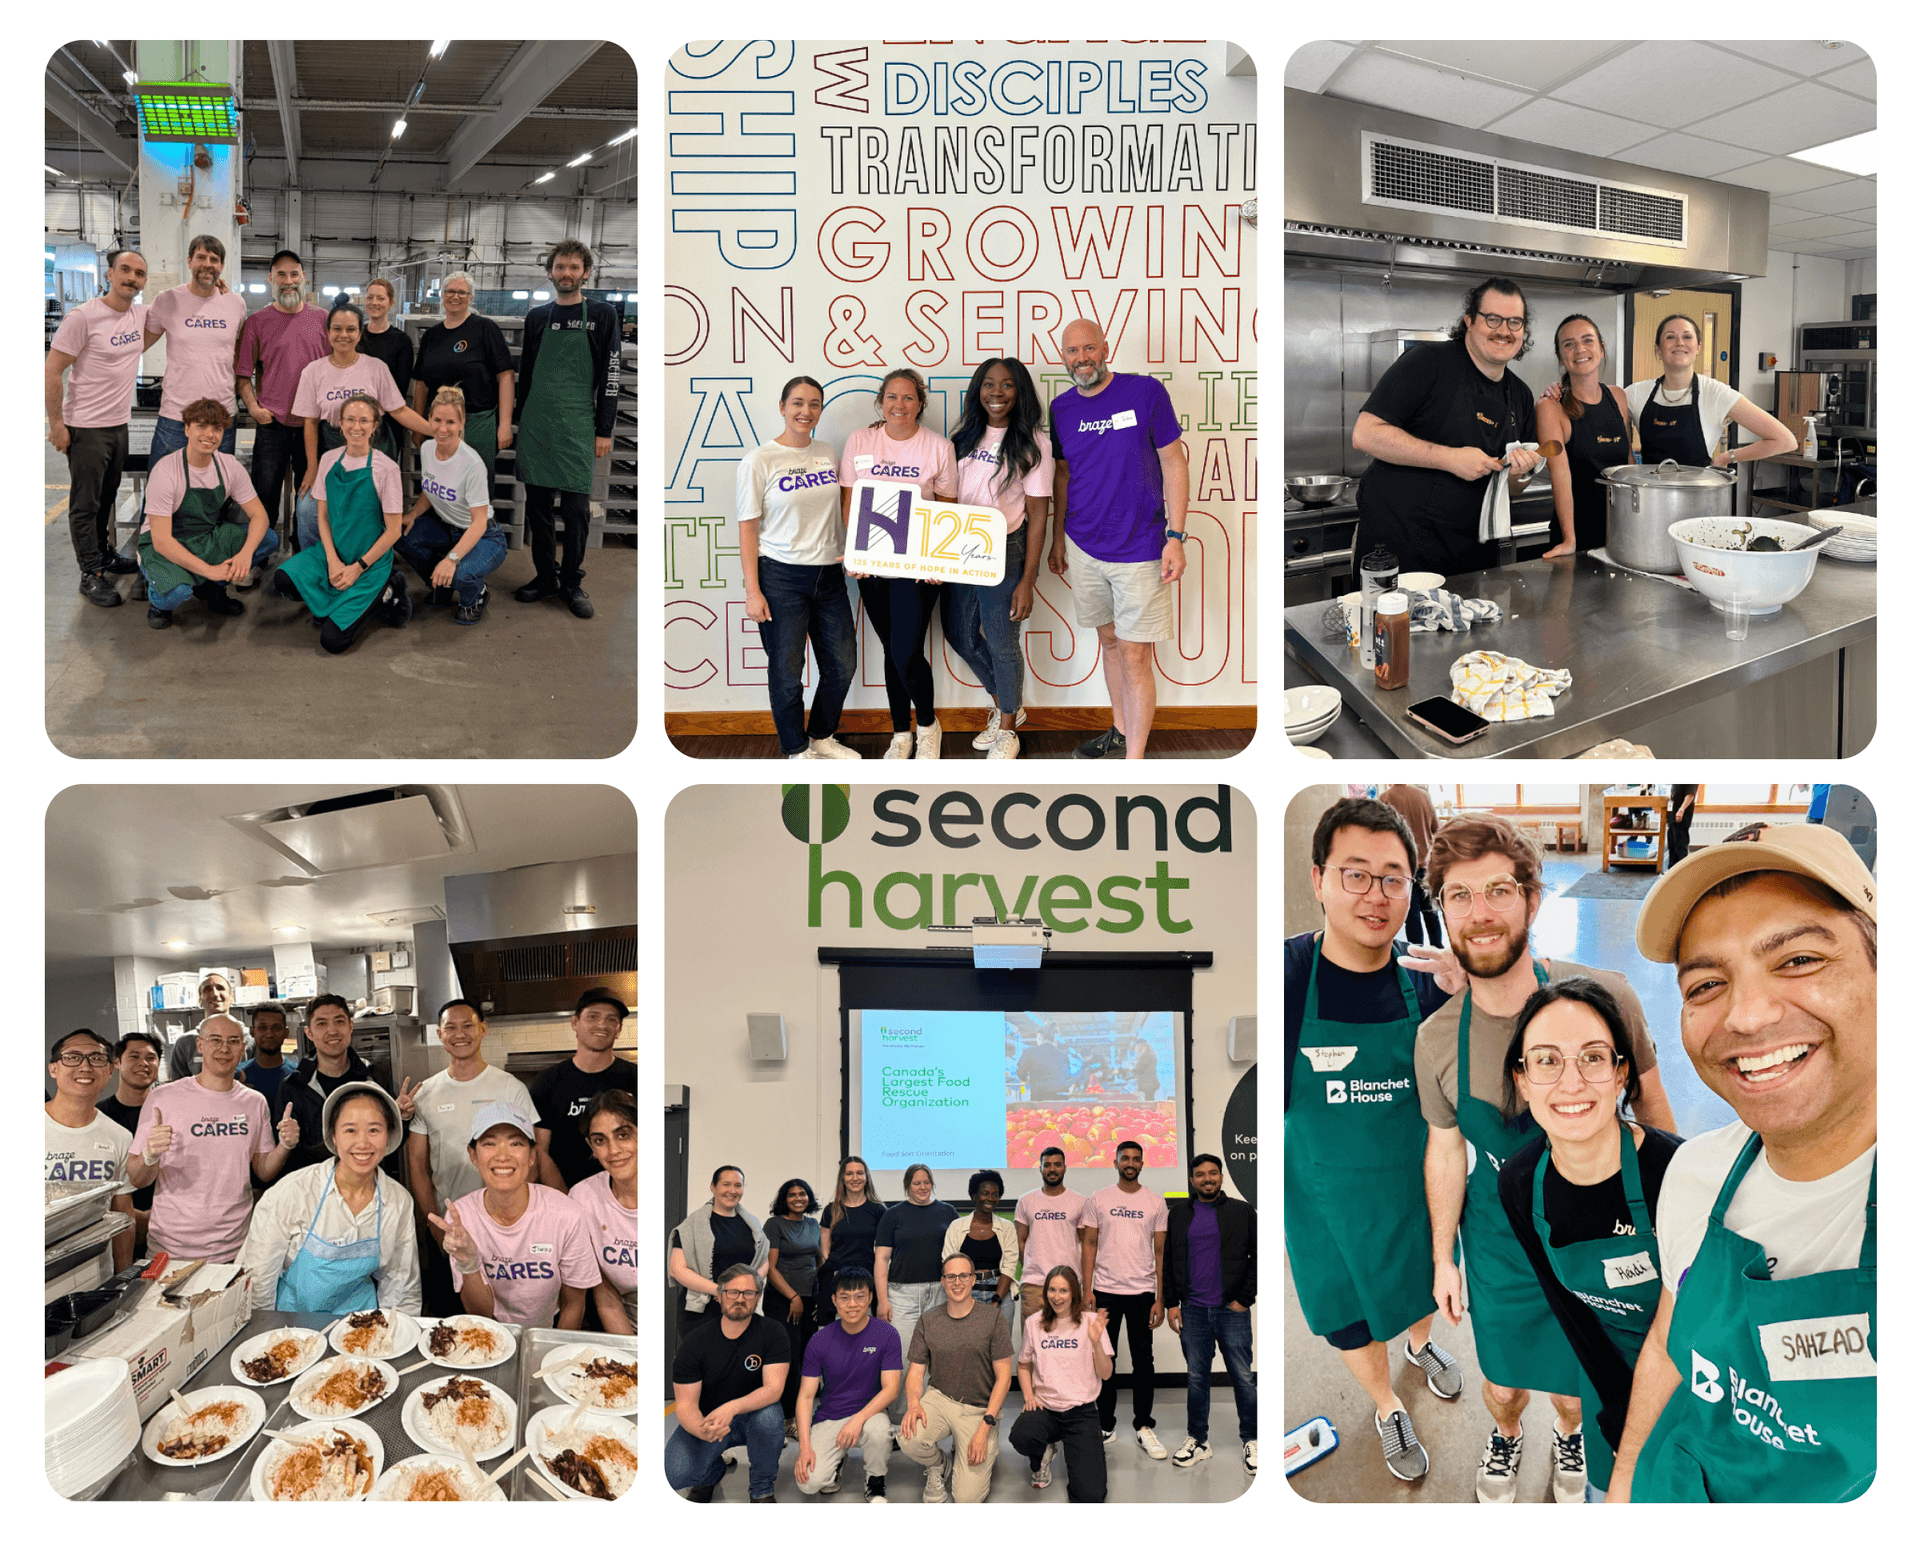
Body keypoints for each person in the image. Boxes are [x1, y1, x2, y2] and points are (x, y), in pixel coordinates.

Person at [1608, 823, 1876, 1503]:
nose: (1749, 1016)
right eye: (1705, 985)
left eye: (1799, 960)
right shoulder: (1696, 1176)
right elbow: (1670, 1343)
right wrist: (1624, 1482)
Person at [1416, 813, 1677, 1502]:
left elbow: (1654, 1114)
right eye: (1459, 896)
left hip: (1597, 1239)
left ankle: (1568, 1434)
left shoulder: (1606, 997)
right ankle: (1506, 1436)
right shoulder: (1437, 1039)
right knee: (1502, 1386)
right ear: (1440, 910)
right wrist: (1445, 1257)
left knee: (1576, 1389)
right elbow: (1445, 1150)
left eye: (1499, 890)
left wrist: (1675, 1235)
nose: (1480, 914)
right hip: (1500, 1246)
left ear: (1534, 899)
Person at [1285, 796, 1467, 1482]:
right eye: (1355, 874)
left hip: (1413, 1183)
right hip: (1324, 1196)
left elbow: (1467, 1095)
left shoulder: (1425, 982)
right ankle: (1388, 1402)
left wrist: (1468, 999)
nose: (1376, 895)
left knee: (1423, 1281)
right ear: (1319, 880)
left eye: (1394, 878)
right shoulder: (1289, 978)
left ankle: (1422, 1348)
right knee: (1351, 1314)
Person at [1498, 977, 1681, 1502]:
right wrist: (1621, 1417)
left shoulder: (1674, 1174)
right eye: (1547, 1060)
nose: (1571, 1083)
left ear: (1622, 1073)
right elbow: (1570, 1309)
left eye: (1594, 1058)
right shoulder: (1518, 1183)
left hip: (1696, 1380)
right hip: (1607, 1375)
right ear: (1523, 1078)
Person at [1045, 318, 1189, 760]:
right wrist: (1057, 539)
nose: (1082, 358)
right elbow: (1063, 474)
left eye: (1089, 348)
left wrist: (1176, 536)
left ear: (1105, 347)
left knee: (1134, 655)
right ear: (1063, 357)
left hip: (1141, 546)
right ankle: (1121, 732)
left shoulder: (1145, 392)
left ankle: (1134, 762)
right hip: (1084, 544)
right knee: (1109, 643)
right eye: (1072, 351)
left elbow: (1174, 463)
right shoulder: (1061, 408)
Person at [1351, 278, 1545, 579]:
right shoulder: (1427, 362)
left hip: (1470, 554)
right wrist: (1450, 458)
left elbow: (1512, 487)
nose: (1504, 330)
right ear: (1469, 321)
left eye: (1514, 322)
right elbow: (1366, 433)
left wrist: (1518, 475)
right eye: (1492, 319)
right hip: (1401, 547)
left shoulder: (1520, 395)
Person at [839, 367, 959, 759]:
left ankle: (927, 726)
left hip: (918, 569)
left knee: (905, 651)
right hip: (872, 569)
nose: (899, 404)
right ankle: (900, 733)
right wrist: (857, 553)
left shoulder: (938, 447)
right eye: (892, 396)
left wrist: (937, 562)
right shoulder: (860, 440)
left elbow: (947, 510)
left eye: (908, 397)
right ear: (881, 401)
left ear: (920, 403)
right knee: (892, 649)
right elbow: (849, 502)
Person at [739, 375, 859, 760]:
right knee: (787, 673)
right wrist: (753, 591)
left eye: (814, 404)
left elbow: (847, 506)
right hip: (781, 577)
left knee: (841, 665)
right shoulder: (759, 460)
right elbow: (747, 529)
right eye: (797, 403)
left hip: (829, 575)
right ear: (782, 407)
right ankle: (795, 748)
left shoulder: (827, 452)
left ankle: (821, 736)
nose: (805, 411)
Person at [944, 357, 1052, 759]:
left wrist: (1028, 580)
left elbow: (1039, 514)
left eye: (1007, 386)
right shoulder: (962, 438)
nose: (997, 393)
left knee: (1002, 641)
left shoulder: (1034, 443)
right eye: (989, 385)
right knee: (959, 633)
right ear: (978, 390)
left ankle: (1007, 727)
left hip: (1005, 550)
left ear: (1019, 392)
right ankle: (1008, 702)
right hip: (957, 548)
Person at [404, 998, 541, 1314]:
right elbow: (418, 1167)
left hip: (506, 1227)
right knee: (451, 1320)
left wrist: (517, 1224)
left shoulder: (510, 1087)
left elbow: (530, 1160)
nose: (459, 1033)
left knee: (502, 1313)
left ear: (483, 1029)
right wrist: (437, 1229)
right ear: (440, 1034)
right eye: (450, 1027)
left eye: (468, 1025)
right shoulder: (427, 1092)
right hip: (450, 1227)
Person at [128, 1013, 300, 1264]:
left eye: (233, 1041)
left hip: (235, 1248)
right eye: (215, 1040)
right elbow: (136, 1176)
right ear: (200, 1045)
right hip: (171, 1249)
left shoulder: (254, 1101)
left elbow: (263, 1171)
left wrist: (285, 1146)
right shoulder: (163, 1098)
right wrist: (150, 1155)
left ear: (243, 1048)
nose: (224, 1048)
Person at [238, 1081, 420, 1313]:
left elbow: (401, 1289)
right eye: (350, 1130)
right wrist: (267, 1337)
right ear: (333, 1136)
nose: (363, 1143)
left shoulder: (398, 1201)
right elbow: (259, 1283)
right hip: (293, 1326)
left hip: (362, 1329)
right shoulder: (293, 1192)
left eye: (374, 1130)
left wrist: (394, 1338)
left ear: (389, 1135)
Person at [512, 240, 620, 619]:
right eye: (560, 267)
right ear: (550, 272)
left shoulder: (603, 315)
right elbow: (526, 372)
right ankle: (545, 577)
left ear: (586, 272)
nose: (567, 274)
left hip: (577, 424)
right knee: (538, 509)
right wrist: (518, 421)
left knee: (575, 512)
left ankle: (571, 583)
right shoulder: (538, 316)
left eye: (574, 267)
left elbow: (611, 375)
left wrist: (604, 428)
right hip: (537, 424)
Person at [47, 247, 149, 607]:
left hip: (118, 425)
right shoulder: (83, 317)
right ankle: (89, 573)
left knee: (107, 496)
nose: (131, 278)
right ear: (110, 274)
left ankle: (104, 555)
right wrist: (56, 424)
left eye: (138, 273)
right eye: (125, 270)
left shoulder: (139, 317)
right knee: (85, 503)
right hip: (86, 427)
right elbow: (52, 369)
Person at [269, 394, 412, 653]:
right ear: (340, 423)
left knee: (333, 641)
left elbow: (392, 532)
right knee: (283, 579)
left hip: (369, 562)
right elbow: (322, 517)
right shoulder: (329, 460)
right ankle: (340, 597)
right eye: (350, 420)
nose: (356, 427)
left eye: (364, 421)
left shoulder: (386, 469)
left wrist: (357, 568)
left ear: (374, 426)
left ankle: (390, 588)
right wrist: (333, 561)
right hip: (333, 551)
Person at [433, 1103, 596, 1328]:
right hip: (490, 1331)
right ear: (473, 1155)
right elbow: (480, 1313)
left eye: (515, 1143)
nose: (502, 1156)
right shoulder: (461, 1218)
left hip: (551, 1328)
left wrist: (551, 1355)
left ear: (531, 1155)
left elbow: (574, 1305)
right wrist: (468, 1263)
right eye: (489, 1143)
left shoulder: (566, 1214)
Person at [291, 303, 432, 546]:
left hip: (373, 450)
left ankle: (365, 564)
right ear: (327, 331)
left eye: (350, 329)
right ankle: (316, 566)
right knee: (308, 510)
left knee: (368, 512)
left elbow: (398, 410)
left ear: (359, 333)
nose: (343, 335)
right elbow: (311, 423)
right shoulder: (313, 371)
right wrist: (313, 467)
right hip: (331, 453)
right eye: (337, 329)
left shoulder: (375, 368)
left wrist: (435, 431)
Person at [136, 398, 278, 630]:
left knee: (267, 539)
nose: (210, 434)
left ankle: (213, 587)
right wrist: (209, 570)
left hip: (204, 537)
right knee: (176, 594)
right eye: (202, 426)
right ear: (187, 428)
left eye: (217, 428)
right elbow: (161, 541)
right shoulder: (166, 471)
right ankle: (159, 602)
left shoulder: (229, 466)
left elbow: (260, 516)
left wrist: (245, 555)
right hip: (161, 545)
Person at [1165, 1153, 1257, 1475]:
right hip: (1192, 1310)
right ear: (1192, 1180)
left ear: (1221, 1176)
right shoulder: (1178, 1215)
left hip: (1230, 1310)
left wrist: (1245, 1299)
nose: (1207, 1179)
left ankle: (1252, 1438)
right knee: (1196, 1378)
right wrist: (1171, 1303)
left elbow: (1258, 1254)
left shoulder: (1242, 1211)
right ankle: (1198, 1440)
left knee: (1243, 1377)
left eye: (1213, 1173)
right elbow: (1169, 1259)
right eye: (1200, 1174)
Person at [668, 1263, 790, 1503]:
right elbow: (685, 1405)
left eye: (748, 1293)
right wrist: (700, 1430)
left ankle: (762, 1489)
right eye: (732, 1292)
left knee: (770, 1416)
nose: (740, 1299)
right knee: (675, 1474)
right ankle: (710, 1475)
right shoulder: (695, 1342)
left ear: (758, 1298)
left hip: (754, 1416)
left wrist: (731, 1407)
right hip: (710, 1419)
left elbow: (773, 1389)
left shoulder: (773, 1332)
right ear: (719, 1296)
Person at [899, 1252, 1014, 1503]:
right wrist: (913, 1404)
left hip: (978, 1410)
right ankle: (939, 1464)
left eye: (963, 1276)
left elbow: (1004, 1377)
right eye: (950, 1276)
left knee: (965, 1499)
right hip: (940, 1398)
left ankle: (979, 1453)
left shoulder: (993, 1318)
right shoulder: (928, 1320)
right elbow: (916, 1372)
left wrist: (986, 1426)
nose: (957, 1282)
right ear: (943, 1281)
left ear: (973, 1279)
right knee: (908, 1436)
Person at [393, 387, 510, 625]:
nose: (442, 428)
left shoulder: (472, 464)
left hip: (484, 535)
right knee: (400, 535)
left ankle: (475, 596)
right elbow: (431, 487)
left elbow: (478, 523)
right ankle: (440, 584)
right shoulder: (427, 448)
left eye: (450, 422)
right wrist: (413, 515)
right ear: (428, 419)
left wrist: (451, 559)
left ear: (462, 423)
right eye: (437, 420)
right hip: (448, 528)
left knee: (461, 573)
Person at [1625, 314, 1797, 473]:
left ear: (1698, 347)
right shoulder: (1635, 394)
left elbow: (1785, 440)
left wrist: (1727, 457)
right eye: (1670, 337)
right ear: (1658, 350)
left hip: (1699, 499)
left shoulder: (1716, 393)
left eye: (1687, 337)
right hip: (1650, 499)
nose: (1679, 342)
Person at [1083, 1140, 1169, 1455]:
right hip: (1105, 1291)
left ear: (1142, 1164)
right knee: (1105, 1360)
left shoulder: (1155, 1202)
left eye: (1136, 1159)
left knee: (1143, 1362)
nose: (1130, 1163)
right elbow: (1089, 1244)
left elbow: (1160, 1251)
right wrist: (1086, 1290)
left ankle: (1143, 1425)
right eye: (1125, 1158)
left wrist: (1160, 1298)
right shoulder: (1099, 1199)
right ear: (1115, 1162)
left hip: (1142, 1293)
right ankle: (1105, 1424)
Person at [234, 248, 331, 531]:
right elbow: (242, 375)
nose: (288, 281)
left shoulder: (323, 320)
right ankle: (261, 551)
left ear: (304, 278)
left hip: (312, 426)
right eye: (281, 275)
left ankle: (304, 555)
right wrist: (254, 408)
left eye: (293, 274)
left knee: (310, 496)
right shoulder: (257, 322)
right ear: (270, 279)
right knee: (264, 494)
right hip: (272, 424)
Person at [794, 1266, 902, 1502]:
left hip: (869, 1414)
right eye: (845, 1297)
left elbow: (891, 1389)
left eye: (860, 1296)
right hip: (831, 1416)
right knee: (809, 1483)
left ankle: (875, 1481)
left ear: (871, 1297)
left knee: (880, 1432)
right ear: (834, 1300)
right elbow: (805, 1397)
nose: (852, 1304)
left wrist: (858, 1420)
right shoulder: (819, 1340)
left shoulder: (887, 1334)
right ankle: (836, 1462)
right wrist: (804, 1448)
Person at [141, 234, 248, 466]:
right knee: (162, 491)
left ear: (221, 266)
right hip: (177, 416)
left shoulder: (236, 305)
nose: (207, 264)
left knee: (214, 493)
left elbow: (237, 355)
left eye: (214, 259)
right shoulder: (167, 301)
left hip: (221, 416)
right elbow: (139, 344)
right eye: (201, 257)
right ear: (189, 261)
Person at [1010, 1265, 1112, 1500]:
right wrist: (1029, 1397)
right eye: (1052, 1290)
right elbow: (1023, 1365)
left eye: (1063, 1291)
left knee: (1091, 1495)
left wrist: (1096, 1343)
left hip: (1081, 1412)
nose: (1057, 1297)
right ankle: (1043, 1453)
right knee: (1022, 1435)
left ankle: (1081, 1451)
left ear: (1074, 1293)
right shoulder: (1034, 1323)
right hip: (1046, 1409)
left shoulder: (1091, 1322)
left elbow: (1106, 1374)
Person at [1536, 315, 1634, 556]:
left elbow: (1628, 464)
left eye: (1587, 340)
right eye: (1568, 344)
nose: (1580, 349)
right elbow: (1560, 475)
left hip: (1620, 533)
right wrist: (1570, 540)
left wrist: (1637, 526)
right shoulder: (1550, 408)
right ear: (1561, 357)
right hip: (1577, 536)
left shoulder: (1618, 397)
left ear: (1601, 349)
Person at [271, 994, 398, 1179]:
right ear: (309, 1033)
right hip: (312, 1193)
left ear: (350, 1026)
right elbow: (285, 1159)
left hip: (366, 1186)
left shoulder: (372, 1078)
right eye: (321, 1024)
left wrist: (402, 1117)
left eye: (339, 1021)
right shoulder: (293, 1086)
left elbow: (391, 1143)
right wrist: (287, 1142)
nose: (332, 1031)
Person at [874, 1163, 961, 1423]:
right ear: (907, 1186)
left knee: (940, 1360)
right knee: (901, 1359)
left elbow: (957, 1257)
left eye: (926, 1182)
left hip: (940, 1293)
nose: (922, 1187)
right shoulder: (892, 1215)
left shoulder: (948, 1212)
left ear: (932, 1183)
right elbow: (881, 1260)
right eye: (916, 1183)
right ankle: (900, 1420)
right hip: (902, 1295)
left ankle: (932, 1419)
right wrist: (882, 1300)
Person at [45, 1029, 137, 1271]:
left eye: (96, 1058)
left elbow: (123, 1214)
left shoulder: (119, 1137)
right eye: (72, 1057)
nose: (85, 1067)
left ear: (109, 1070)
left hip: (95, 1273)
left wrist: (123, 1276)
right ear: (53, 1068)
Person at [528, 987, 635, 1192]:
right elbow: (540, 1150)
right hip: (563, 1197)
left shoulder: (637, 1079)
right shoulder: (547, 1081)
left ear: (619, 1029)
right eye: (593, 1016)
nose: (602, 1024)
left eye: (612, 1019)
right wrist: (568, 1203)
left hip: (626, 1202)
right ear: (575, 1023)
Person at [409, 271, 514, 476]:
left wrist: (504, 425)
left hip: (476, 423)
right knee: (440, 483)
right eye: (450, 291)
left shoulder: (485, 329)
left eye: (462, 293)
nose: (455, 297)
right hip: (438, 425)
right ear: (442, 295)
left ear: (471, 297)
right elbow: (421, 384)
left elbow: (506, 377)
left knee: (476, 485)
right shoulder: (432, 336)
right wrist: (419, 427)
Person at [670, 1164, 769, 1338]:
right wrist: (721, 1292)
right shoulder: (692, 1226)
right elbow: (677, 1269)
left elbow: (763, 1261)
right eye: (726, 1184)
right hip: (702, 1312)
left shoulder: (752, 1225)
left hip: (740, 1309)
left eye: (738, 1185)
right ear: (713, 1187)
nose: (732, 1190)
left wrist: (747, 1290)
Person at [571, 1089, 639, 1333]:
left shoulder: (672, 1193)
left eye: (623, 1135)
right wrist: (632, 1355)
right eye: (600, 1140)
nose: (613, 1150)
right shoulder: (584, 1198)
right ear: (591, 1146)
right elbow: (606, 1292)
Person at [95, 1031, 163, 1257]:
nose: (143, 1064)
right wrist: (132, 1215)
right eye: (134, 1057)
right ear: (116, 1063)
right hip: (114, 1229)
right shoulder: (99, 1117)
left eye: (151, 1058)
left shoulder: (171, 1113)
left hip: (167, 1226)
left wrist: (157, 1215)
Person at [764, 1177, 824, 1433]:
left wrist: (820, 1296)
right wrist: (793, 1297)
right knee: (788, 1360)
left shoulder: (813, 1224)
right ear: (784, 1199)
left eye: (803, 1194)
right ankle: (785, 1420)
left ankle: (800, 1417)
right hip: (783, 1301)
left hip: (809, 1300)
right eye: (792, 1194)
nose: (798, 1198)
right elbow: (770, 1268)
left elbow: (819, 1260)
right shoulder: (775, 1224)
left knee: (807, 1359)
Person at [943, 1169, 1020, 1347]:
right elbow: (949, 1264)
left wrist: (996, 1301)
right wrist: (964, 1298)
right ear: (974, 1196)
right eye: (985, 1193)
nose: (990, 1199)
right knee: (966, 1349)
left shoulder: (1007, 1228)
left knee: (999, 1350)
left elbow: (1009, 1266)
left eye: (995, 1194)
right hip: (965, 1294)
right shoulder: (956, 1227)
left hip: (1001, 1296)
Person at [1014, 1147, 1090, 1318]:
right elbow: (1020, 1242)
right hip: (1034, 1284)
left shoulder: (1080, 1202)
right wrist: (1033, 1266)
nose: (1052, 1169)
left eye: (1057, 1165)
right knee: (1033, 1342)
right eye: (1047, 1165)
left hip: (1069, 1284)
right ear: (1040, 1168)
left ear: (1064, 1168)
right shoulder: (1026, 1201)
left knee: (1069, 1341)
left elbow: (1086, 1246)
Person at [355, 278, 414, 463]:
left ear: (391, 303)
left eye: (380, 298)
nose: (374, 303)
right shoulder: (356, 336)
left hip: (388, 422)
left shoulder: (401, 341)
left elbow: (400, 388)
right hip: (357, 419)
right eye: (370, 298)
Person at [1381, 783, 1443, 949]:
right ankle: (1438, 948)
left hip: (1402, 866)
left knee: (1412, 915)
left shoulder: (1385, 798)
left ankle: (1417, 955)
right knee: (1431, 912)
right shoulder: (1423, 796)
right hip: (1426, 864)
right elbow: (1437, 829)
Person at [819, 1154, 887, 1307]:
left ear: (866, 1177)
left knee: (865, 1327)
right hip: (836, 1278)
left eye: (859, 1173)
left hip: (867, 1278)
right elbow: (825, 1251)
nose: (854, 1178)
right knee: (833, 1328)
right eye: (849, 1174)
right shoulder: (831, 1210)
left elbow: (883, 1252)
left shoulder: (878, 1210)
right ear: (842, 1178)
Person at [168, 972, 241, 1082]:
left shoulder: (248, 1038)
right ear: (199, 1001)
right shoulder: (185, 1042)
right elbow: (178, 1087)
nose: (215, 994)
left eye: (220, 988)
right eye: (207, 989)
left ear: (232, 998)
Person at [236, 1003, 293, 1106]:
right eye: (262, 1028)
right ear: (252, 1032)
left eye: (276, 1028)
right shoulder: (237, 1076)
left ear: (286, 1032)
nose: (269, 1034)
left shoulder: (298, 1075)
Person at [1016, 1028, 1072, 1100]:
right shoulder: (1063, 1055)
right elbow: (1068, 1076)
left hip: (1040, 1096)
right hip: (1061, 1097)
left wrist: (1028, 1080)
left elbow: (1021, 1074)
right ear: (1053, 1039)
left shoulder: (1029, 1052)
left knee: (1041, 1111)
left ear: (1039, 1037)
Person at [1667, 785, 1699, 867]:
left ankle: (1682, 872)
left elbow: (1690, 795)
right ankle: (1671, 870)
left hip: (1682, 814)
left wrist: (1681, 810)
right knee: (1672, 844)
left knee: (1680, 845)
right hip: (1673, 813)